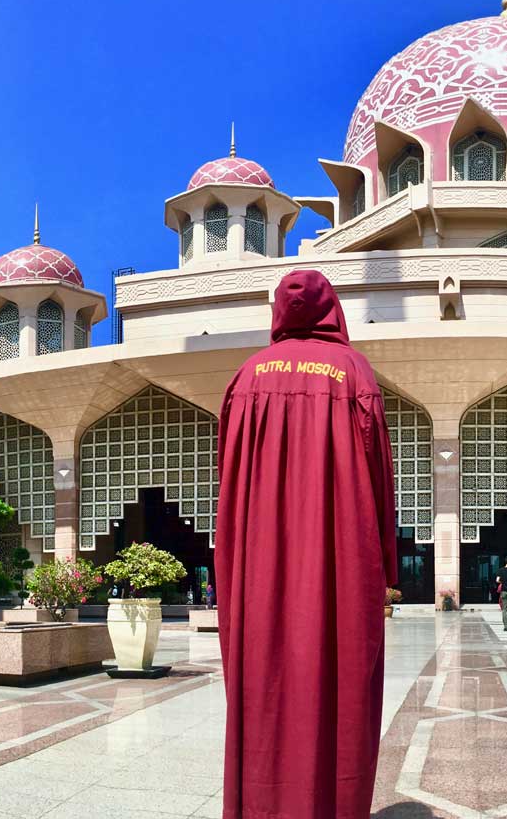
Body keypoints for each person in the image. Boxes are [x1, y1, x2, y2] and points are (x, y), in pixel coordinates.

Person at [216, 269, 397, 819]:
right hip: (340, 561)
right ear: (332, 309)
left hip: (259, 565)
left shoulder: (246, 378)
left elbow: (226, 483)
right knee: (340, 682)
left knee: (262, 680)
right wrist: (386, 569)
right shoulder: (354, 375)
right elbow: (380, 479)